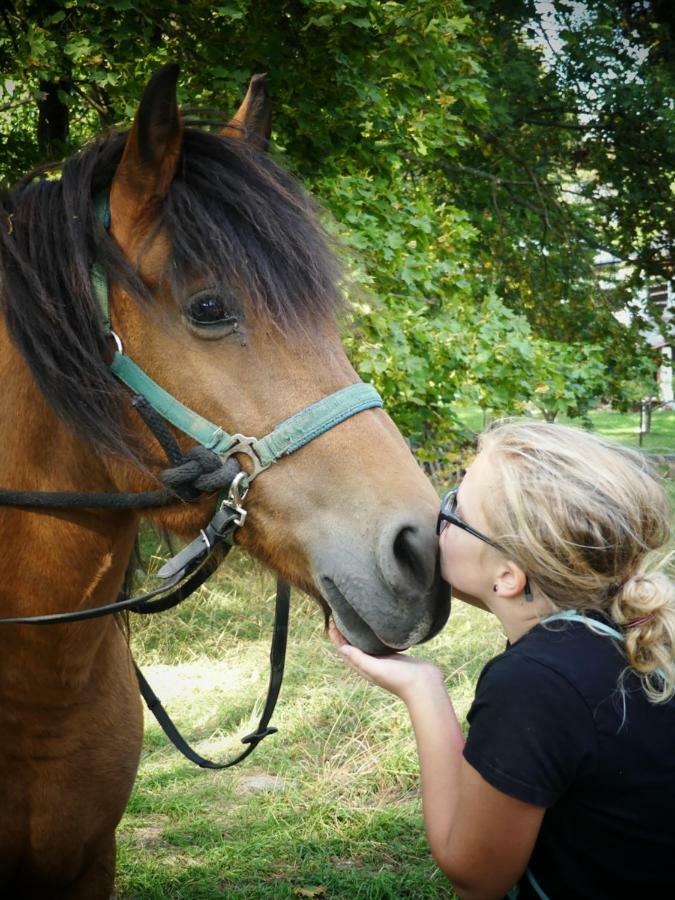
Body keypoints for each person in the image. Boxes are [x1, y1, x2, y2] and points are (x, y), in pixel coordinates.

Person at [329, 420, 675, 900]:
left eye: (457, 511)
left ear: (509, 577)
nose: (439, 517)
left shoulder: (536, 686)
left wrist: (422, 688)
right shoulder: (629, 630)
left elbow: (476, 877)